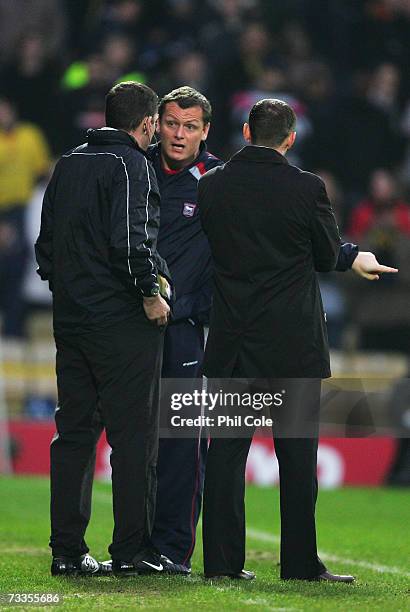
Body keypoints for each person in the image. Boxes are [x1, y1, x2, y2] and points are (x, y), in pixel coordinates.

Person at [198, 98, 398, 582]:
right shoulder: (308, 188)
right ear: (291, 138)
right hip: (291, 341)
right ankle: (300, 564)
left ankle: (222, 565)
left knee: (225, 456)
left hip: (232, 339)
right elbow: (328, 252)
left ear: (246, 131)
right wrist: (354, 253)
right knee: (296, 456)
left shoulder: (212, 186)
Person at [35, 81, 174, 577]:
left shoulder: (68, 163)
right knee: (133, 438)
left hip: (70, 321)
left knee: (73, 434)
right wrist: (149, 293)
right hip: (120, 323)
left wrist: (72, 290)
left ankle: (66, 553)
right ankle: (131, 551)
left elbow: (45, 247)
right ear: (148, 123)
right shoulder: (131, 164)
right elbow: (131, 243)